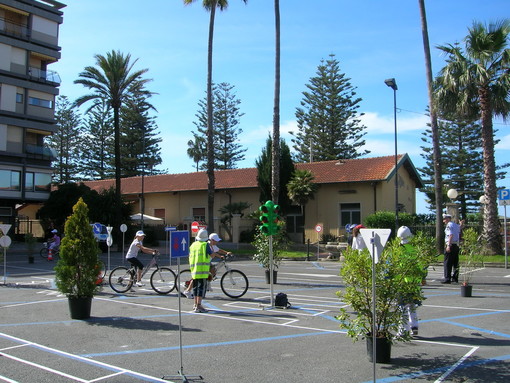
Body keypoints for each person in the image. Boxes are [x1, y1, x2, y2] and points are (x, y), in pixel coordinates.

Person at [183, 231, 227, 298]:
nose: (217, 242)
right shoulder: (206, 245)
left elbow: (219, 250)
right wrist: (219, 256)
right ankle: (188, 290)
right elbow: (212, 254)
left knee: (212, 271)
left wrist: (226, 252)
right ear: (212, 240)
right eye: (216, 240)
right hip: (202, 263)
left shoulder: (212, 245)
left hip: (204, 263)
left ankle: (207, 285)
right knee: (196, 278)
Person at [396, 226, 421, 336]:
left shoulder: (399, 250)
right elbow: (420, 266)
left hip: (403, 283)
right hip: (414, 283)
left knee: (402, 307)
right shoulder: (414, 249)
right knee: (412, 305)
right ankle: (414, 326)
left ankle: (403, 330)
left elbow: (396, 267)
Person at [188, 228, 220, 313]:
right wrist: (212, 249)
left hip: (194, 269)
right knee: (201, 288)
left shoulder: (193, 245)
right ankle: (199, 305)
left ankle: (195, 304)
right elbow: (212, 255)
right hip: (202, 270)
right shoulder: (205, 245)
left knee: (195, 287)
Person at [442, 214, 461, 284]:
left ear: (447, 219)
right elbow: (459, 231)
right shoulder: (455, 225)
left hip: (451, 244)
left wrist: (448, 245)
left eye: (444, 219)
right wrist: (461, 224)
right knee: (455, 263)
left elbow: (450, 235)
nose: (443, 221)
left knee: (447, 263)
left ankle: (447, 278)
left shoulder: (449, 225)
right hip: (456, 245)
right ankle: (455, 278)